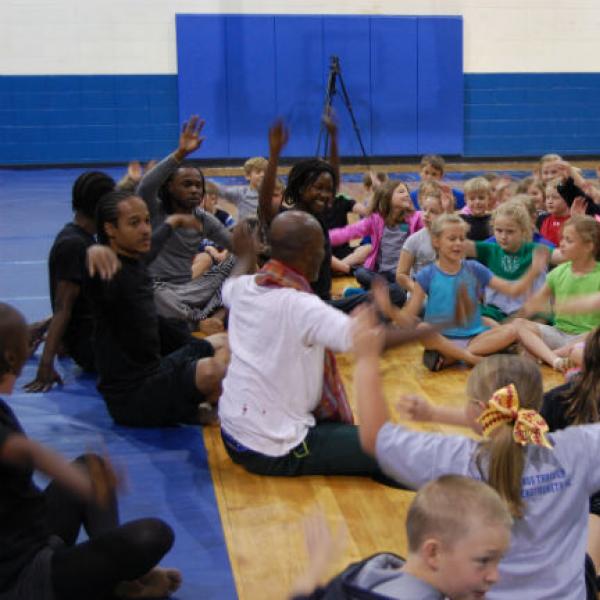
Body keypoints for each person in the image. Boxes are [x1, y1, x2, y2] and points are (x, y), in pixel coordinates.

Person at [352, 312, 600, 600]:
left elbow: (375, 437)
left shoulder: (459, 460)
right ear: (537, 406)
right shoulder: (578, 450)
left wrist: (366, 358)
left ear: (479, 411)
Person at [218, 210, 430, 482]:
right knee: (397, 447)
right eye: (321, 248)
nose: (324, 254)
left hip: (233, 435)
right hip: (276, 448)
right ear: (309, 253)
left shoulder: (246, 287)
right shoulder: (301, 306)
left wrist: (246, 255)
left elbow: (229, 285)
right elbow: (372, 344)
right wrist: (444, 325)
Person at [0, 303, 180, 600]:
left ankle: (122, 579)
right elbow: (19, 450)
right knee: (152, 535)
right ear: (10, 357)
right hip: (19, 578)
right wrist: (75, 481)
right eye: (25, 343)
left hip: (31, 537)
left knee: (90, 466)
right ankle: (117, 581)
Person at [88, 189, 229, 427]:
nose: (145, 229)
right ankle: (204, 400)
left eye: (146, 221)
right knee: (212, 370)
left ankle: (204, 402)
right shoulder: (110, 273)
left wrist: (174, 221)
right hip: (133, 396)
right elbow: (94, 281)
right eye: (134, 223)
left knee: (226, 342)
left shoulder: (136, 260)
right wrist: (93, 250)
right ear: (110, 229)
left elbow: (154, 243)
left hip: (156, 372)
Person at [290, 476, 512, 600]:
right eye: (483, 561)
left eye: (498, 561)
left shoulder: (368, 573)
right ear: (433, 553)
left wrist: (314, 571)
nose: (494, 576)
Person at [378, 214, 546, 370]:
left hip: (476, 339)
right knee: (423, 328)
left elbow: (512, 289)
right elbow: (408, 316)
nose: (458, 243)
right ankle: (474, 359)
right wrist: (389, 310)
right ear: (436, 241)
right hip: (442, 339)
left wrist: (533, 270)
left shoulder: (474, 268)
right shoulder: (426, 275)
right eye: (452, 239)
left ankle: (454, 357)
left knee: (512, 330)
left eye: (461, 239)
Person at [135, 115, 235, 327]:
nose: (194, 190)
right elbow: (145, 187)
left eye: (198, 186)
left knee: (238, 261)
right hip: (159, 289)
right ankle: (198, 320)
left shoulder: (203, 219)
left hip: (189, 290)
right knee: (147, 292)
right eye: (187, 184)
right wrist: (180, 154)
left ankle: (207, 318)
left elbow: (238, 247)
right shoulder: (155, 211)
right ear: (170, 187)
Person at [25, 172, 116, 392]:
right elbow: (63, 306)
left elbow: (80, 299)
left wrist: (44, 326)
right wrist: (46, 363)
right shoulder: (74, 245)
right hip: (91, 348)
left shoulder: (79, 237)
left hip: (90, 339)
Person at [513, 215, 600, 372]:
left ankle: (547, 356)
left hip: (588, 338)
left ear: (588, 246)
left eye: (569, 240)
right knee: (519, 325)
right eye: (563, 239)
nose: (562, 244)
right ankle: (556, 360)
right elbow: (535, 304)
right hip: (559, 333)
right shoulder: (557, 273)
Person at [328, 180, 420, 306]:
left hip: (401, 275)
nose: (407, 195)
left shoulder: (415, 218)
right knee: (361, 273)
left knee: (401, 286)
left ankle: (364, 294)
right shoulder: (375, 220)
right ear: (387, 197)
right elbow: (350, 231)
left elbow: (436, 222)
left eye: (407, 192)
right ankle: (387, 293)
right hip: (380, 274)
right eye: (401, 191)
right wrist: (324, 237)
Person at [465, 200, 548, 323]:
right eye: (499, 231)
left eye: (510, 232)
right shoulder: (491, 249)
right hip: (495, 311)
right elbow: (455, 244)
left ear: (523, 231)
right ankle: (506, 333)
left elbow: (563, 254)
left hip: (526, 313)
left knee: (537, 321)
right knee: (475, 316)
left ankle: (507, 334)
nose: (503, 236)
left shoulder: (534, 251)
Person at [395, 191, 444, 292]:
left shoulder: (453, 238)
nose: (426, 214)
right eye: (424, 209)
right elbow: (401, 275)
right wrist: (418, 292)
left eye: (433, 211)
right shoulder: (414, 240)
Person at [211, 156, 268, 221]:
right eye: (258, 172)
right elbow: (220, 190)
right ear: (248, 176)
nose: (263, 175)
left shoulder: (275, 192)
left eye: (266, 172)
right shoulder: (241, 193)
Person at [537, 179, 571, 246]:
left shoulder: (573, 221)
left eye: (555, 197)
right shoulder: (543, 219)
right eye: (547, 197)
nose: (550, 201)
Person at [459, 177, 492, 241]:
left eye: (481, 198)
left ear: (489, 199)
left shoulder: (493, 220)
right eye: (472, 199)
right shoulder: (461, 220)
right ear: (466, 200)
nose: (477, 202)